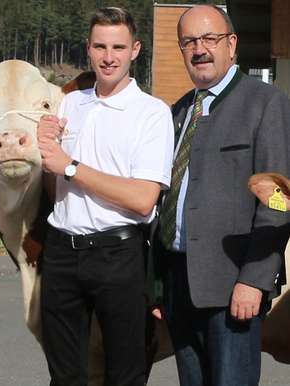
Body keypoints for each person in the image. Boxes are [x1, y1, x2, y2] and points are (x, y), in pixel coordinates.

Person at [36, 7, 174, 385]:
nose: (109, 56)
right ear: (88, 49)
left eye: (118, 46)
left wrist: (69, 165)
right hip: (63, 250)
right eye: (100, 46)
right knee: (64, 375)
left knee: (124, 374)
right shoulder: (70, 105)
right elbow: (57, 189)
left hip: (119, 255)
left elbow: (143, 199)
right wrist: (48, 156)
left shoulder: (151, 113)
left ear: (136, 50)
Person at [156, 5, 290, 385]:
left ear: (231, 44)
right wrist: (158, 286)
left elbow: (278, 203)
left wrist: (254, 280)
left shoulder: (265, 103)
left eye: (209, 39)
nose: (200, 49)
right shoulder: (179, 111)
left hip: (232, 288)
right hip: (180, 285)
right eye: (190, 41)